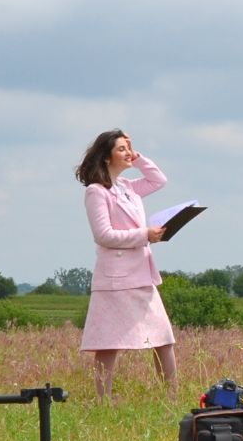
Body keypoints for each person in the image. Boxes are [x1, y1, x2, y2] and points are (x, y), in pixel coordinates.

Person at [75, 129, 178, 398]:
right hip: (116, 279)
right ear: (106, 157)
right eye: (121, 149)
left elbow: (158, 180)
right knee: (108, 343)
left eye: (128, 148)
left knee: (163, 339)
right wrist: (145, 235)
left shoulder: (129, 188)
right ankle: (102, 401)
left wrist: (138, 154)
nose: (127, 153)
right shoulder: (97, 192)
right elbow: (104, 235)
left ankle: (171, 398)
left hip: (142, 275)